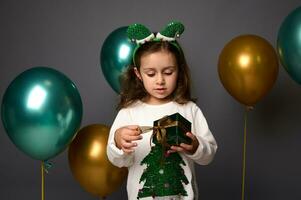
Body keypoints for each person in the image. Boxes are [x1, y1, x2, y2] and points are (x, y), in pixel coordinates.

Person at [107, 22, 217, 200]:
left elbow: (209, 154)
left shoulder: (189, 110)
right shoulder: (128, 113)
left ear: (179, 71)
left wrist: (196, 146)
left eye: (168, 72)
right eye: (151, 74)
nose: (160, 80)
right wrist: (119, 142)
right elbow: (118, 160)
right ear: (138, 74)